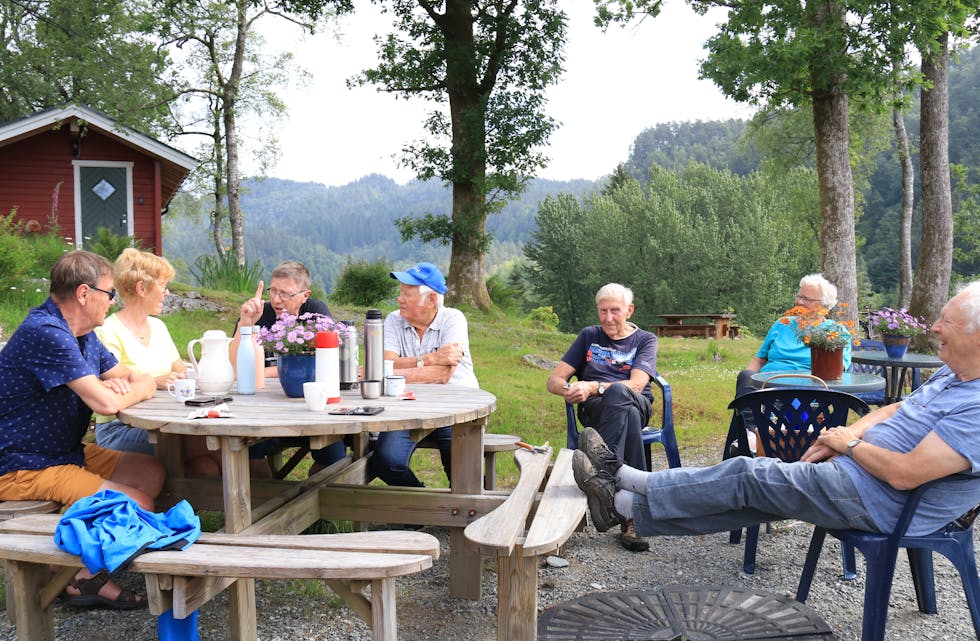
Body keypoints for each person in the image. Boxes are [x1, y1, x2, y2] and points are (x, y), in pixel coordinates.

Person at [571, 282, 980, 547]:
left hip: (885, 502)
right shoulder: (952, 373)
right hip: (860, 478)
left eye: (947, 321)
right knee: (753, 497)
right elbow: (894, 407)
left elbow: (906, 474)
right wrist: (847, 431)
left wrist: (851, 445)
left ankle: (624, 481)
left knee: (750, 474)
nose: (936, 327)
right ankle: (623, 507)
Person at [0, 250, 165, 609]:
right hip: (21, 465)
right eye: (109, 293)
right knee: (140, 504)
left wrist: (130, 385)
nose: (113, 301)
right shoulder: (46, 333)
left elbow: (128, 374)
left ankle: (84, 573)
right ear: (84, 294)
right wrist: (134, 389)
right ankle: (79, 580)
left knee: (150, 471)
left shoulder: (84, 334)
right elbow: (106, 404)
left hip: (62, 452)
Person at [546, 283, 658, 552]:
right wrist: (569, 389)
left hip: (635, 400)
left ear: (629, 311)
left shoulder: (645, 340)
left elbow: (637, 385)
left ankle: (603, 480)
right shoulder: (589, 336)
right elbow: (554, 381)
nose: (608, 318)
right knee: (627, 416)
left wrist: (594, 386)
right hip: (596, 411)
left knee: (623, 396)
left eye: (615, 311)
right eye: (603, 311)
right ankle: (632, 519)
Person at [370, 262, 478, 488]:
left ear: (430, 300)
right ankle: (424, 509)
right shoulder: (393, 320)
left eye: (406, 294)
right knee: (386, 461)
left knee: (460, 464)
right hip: (406, 405)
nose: (399, 299)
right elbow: (383, 366)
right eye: (400, 292)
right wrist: (429, 359)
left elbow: (442, 376)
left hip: (455, 405)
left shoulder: (453, 319)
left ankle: (470, 518)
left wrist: (397, 371)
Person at [232, 260, 342, 476]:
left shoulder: (315, 312)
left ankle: (313, 495)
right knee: (248, 448)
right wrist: (245, 323)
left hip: (312, 408)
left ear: (305, 295)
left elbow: (327, 361)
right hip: (264, 411)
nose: (276, 300)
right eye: (273, 291)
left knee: (333, 454)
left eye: (285, 294)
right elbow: (234, 366)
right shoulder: (258, 312)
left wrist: (265, 372)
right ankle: (269, 496)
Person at [732, 274, 853, 452]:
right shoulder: (782, 324)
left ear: (824, 307)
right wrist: (750, 381)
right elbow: (759, 359)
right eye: (800, 296)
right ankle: (749, 436)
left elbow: (839, 369)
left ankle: (771, 438)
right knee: (746, 376)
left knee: (783, 400)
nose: (800, 303)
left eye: (808, 299)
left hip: (808, 390)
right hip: (768, 385)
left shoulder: (835, 333)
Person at [93, 248, 187, 455]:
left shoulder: (159, 328)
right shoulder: (108, 331)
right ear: (141, 288)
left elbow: (180, 372)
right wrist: (155, 381)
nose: (167, 292)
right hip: (120, 428)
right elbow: (115, 389)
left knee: (207, 465)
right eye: (163, 285)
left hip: (166, 420)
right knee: (195, 444)